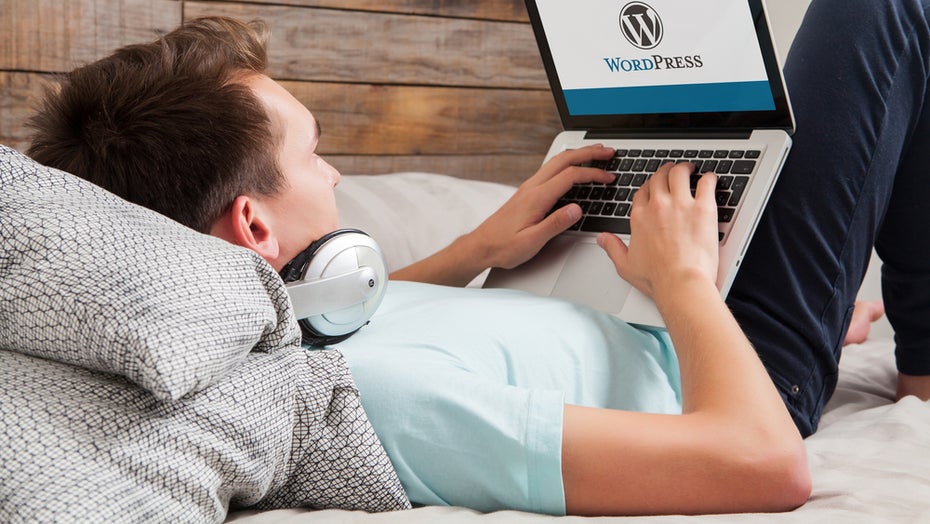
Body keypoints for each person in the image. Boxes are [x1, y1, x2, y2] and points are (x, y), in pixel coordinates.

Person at [24, 0, 926, 515]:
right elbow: (765, 464)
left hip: (648, 303)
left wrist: (482, 246)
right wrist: (688, 284)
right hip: (735, 372)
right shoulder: (384, 401)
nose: (335, 174)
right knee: (883, 12)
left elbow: (352, 322)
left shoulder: (280, 326)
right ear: (254, 226)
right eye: (314, 154)